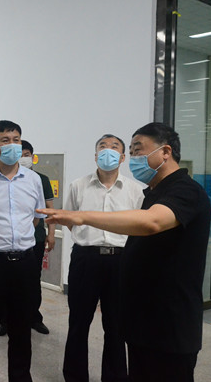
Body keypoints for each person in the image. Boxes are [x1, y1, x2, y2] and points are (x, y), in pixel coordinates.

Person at [39, 123, 211, 382]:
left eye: (138, 150)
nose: (134, 157)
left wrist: (82, 216)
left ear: (165, 152)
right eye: (131, 151)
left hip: (169, 322)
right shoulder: (153, 192)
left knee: (122, 337)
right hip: (142, 312)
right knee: (82, 325)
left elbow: (151, 222)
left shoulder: (184, 190)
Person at [62, 134, 144, 382]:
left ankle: (115, 376)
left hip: (120, 261)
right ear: (96, 155)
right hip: (86, 259)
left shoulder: (135, 190)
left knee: (117, 326)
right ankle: (75, 377)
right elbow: (69, 220)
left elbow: (140, 225)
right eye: (103, 147)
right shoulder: (78, 185)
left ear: (123, 157)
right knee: (79, 322)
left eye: (114, 147)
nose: (108, 151)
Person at [0, 121, 46, 382]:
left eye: (16, 140)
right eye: (5, 140)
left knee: (21, 328)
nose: (12, 145)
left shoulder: (33, 179)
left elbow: (35, 217)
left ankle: (21, 377)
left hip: (25, 263)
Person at [19, 140, 56, 335]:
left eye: (26, 154)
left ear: (32, 157)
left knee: (33, 280)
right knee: (10, 281)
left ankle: (34, 317)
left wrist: (51, 234)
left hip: (36, 238)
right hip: (12, 241)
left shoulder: (41, 179)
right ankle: (5, 320)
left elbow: (49, 209)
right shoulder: (9, 178)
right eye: (20, 154)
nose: (23, 158)